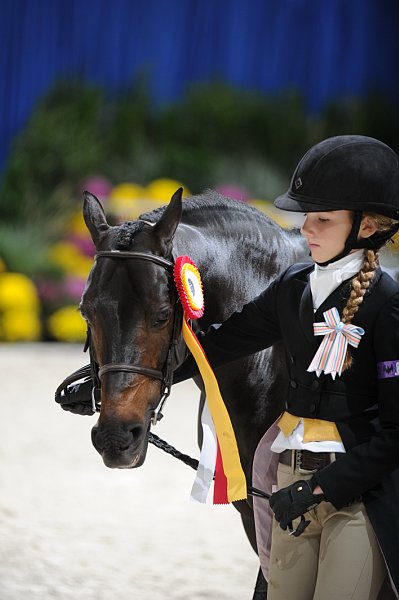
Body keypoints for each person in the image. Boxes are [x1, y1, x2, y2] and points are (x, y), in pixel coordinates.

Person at [174, 135, 399, 599]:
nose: (306, 230)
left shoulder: (388, 304)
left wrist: (321, 490)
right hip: (287, 480)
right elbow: (218, 346)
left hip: (357, 495)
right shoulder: (293, 287)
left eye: (323, 219)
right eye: (305, 217)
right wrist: (119, 376)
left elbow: (395, 434)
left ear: (367, 226)